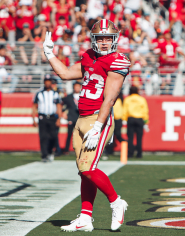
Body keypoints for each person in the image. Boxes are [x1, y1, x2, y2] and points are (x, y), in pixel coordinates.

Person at [43, 19, 129, 232]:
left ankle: (116, 202)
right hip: (81, 118)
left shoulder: (117, 61)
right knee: (84, 171)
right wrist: (49, 54)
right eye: (100, 38)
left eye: (108, 38)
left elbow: (109, 99)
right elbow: (64, 74)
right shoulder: (88, 56)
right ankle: (85, 218)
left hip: (97, 118)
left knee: (88, 168)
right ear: (94, 40)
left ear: (114, 39)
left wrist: (99, 126)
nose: (104, 43)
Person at [32, 78, 62, 162]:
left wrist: (59, 118)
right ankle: (44, 155)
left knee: (53, 136)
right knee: (43, 136)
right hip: (42, 117)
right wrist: (33, 118)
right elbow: (34, 106)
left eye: (49, 82)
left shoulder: (55, 93)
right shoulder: (39, 93)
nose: (47, 83)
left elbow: (59, 106)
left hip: (52, 117)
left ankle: (50, 152)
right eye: (46, 82)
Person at [122, 86, 149, 158]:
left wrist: (124, 119)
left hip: (130, 119)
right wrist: (146, 121)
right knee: (139, 138)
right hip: (140, 119)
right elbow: (145, 111)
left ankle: (130, 153)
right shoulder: (142, 99)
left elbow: (125, 110)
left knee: (130, 138)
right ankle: (139, 154)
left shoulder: (127, 99)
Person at [104, 92, 126, 159]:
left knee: (117, 135)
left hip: (117, 120)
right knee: (111, 136)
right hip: (115, 119)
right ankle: (109, 151)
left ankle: (126, 146)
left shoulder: (119, 101)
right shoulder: (117, 101)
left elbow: (117, 112)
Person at [62, 82, 82, 154]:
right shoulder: (69, 97)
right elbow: (63, 105)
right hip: (71, 118)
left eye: (78, 86)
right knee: (69, 134)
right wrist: (63, 113)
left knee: (80, 135)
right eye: (76, 86)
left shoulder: (82, 96)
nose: (77, 88)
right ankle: (66, 149)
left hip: (80, 118)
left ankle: (80, 149)